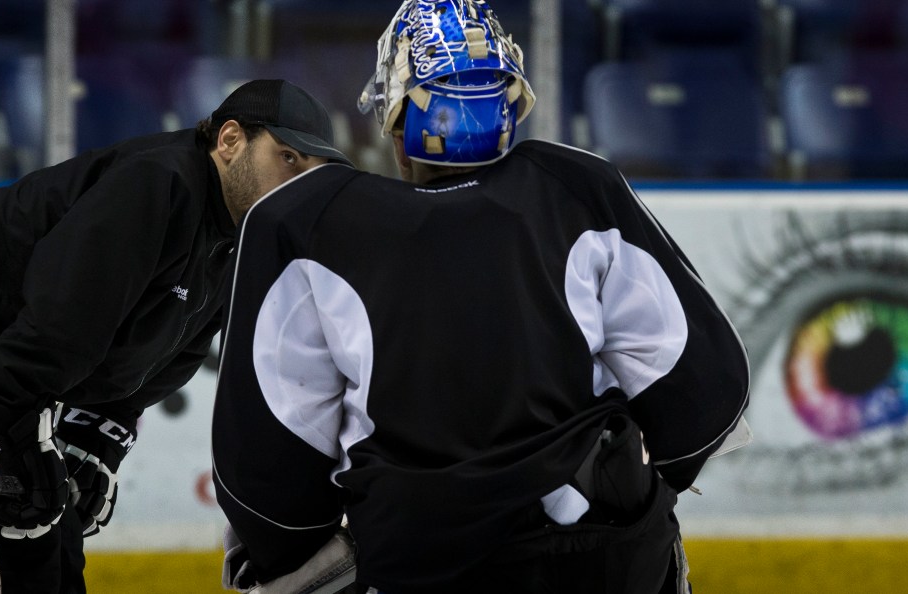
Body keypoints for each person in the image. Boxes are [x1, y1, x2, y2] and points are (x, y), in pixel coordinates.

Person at [212, 1, 751, 592]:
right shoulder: (575, 187)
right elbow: (704, 397)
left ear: (394, 120)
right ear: (510, 105)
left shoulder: (305, 221)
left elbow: (268, 483)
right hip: (600, 552)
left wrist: (291, 547)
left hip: (416, 560)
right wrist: (646, 494)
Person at [0, 78, 351, 593]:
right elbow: (54, 329)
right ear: (229, 141)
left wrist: (98, 437)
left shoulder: (237, 239)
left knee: (54, 552)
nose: (298, 184)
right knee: (28, 548)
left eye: (313, 172)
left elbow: (154, 358)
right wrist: (5, 443)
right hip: (2, 378)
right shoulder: (158, 184)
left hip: (11, 379)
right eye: (288, 158)